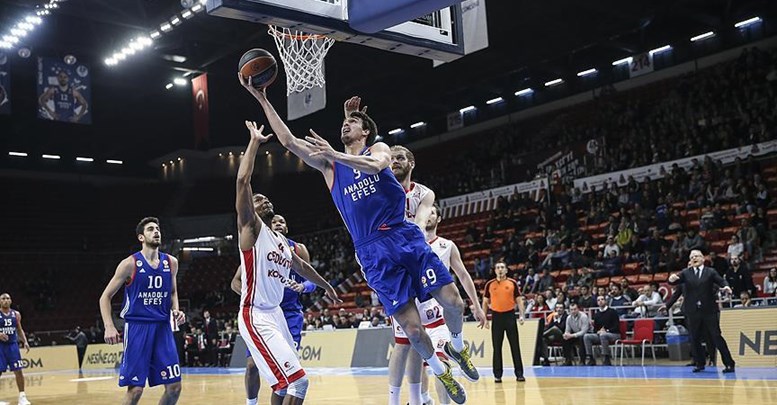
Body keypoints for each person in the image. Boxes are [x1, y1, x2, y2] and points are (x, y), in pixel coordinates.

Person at [243, 80, 472, 404]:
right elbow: (287, 139)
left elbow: (377, 165)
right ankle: (440, 370)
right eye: (344, 122)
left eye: (351, 122)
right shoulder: (328, 164)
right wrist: (262, 97)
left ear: (365, 132)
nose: (344, 125)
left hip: (402, 235)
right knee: (414, 331)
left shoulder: (377, 150)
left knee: (454, 303)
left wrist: (336, 152)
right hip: (371, 249)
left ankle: (457, 346)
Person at [235, 120, 339, 404]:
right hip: (255, 314)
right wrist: (255, 142)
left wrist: (325, 284)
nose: (264, 201)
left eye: (266, 198)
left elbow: (302, 267)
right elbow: (243, 182)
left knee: (282, 387)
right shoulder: (251, 230)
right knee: (299, 382)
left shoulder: (280, 241)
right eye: (258, 200)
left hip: (277, 315)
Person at [388, 143, 487, 405]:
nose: (395, 161)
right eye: (391, 158)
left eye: (400, 157)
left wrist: (477, 305)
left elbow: (464, 275)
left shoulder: (442, 239)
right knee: (408, 343)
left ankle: (456, 349)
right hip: (396, 266)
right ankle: (414, 399)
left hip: (431, 298)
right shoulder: (381, 189)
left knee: (454, 303)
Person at [231, 214, 317, 405]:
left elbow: (311, 280)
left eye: (282, 221)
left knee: (288, 379)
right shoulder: (261, 245)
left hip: (290, 315)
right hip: (262, 313)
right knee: (252, 365)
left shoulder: (298, 249)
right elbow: (235, 281)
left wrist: (304, 287)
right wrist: (251, 294)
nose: (278, 223)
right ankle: (251, 402)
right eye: (275, 221)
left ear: (287, 228)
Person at [98, 217, 186, 405]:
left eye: (158, 229)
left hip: (163, 328)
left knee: (174, 388)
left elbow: (172, 292)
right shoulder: (129, 264)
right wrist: (109, 326)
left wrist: (176, 310)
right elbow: (104, 297)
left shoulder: (171, 263)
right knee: (136, 390)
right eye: (150, 229)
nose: (156, 232)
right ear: (141, 237)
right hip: (138, 327)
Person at [668, 249, 735, 373]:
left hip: (709, 310)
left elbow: (721, 281)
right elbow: (675, 281)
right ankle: (699, 363)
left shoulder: (710, 272)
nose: (694, 258)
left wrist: (726, 286)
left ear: (703, 258)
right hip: (693, 311)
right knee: (694, 338)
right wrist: (671, 279)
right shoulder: (686, 273)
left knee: (716, 336)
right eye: (692, 257)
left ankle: (729, 363)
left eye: (697, 256)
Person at [482, 261, 526, 382]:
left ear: (506, 270)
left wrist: (522, 315)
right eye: (498, 268)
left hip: (510, 316)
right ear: (495, 270)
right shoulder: (489, 284)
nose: (500, 269)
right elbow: (485, 302)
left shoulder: (512, 283)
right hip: (496, 318)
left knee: (515, 346)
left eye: (502, 267)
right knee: (497, 347)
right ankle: (497, 375)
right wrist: (484, 318)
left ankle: (519, 373)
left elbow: (519, 300)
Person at [0, 293, 31, 405]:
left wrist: (25, 341)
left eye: (8, 298)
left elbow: (19, 329)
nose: (6, 300)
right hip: (0, 347)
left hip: (13, 346)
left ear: (11, 301)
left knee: (18, 371)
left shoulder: (16, 314)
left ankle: (22, 397)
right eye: (3, 298)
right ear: (0, 301)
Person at [583, 296, 619, 366]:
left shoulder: (612, 312)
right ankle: (590, 358)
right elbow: (595, 328)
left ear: (605, 301)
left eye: (602, 299)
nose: (600, 301)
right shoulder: (597, 314)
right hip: (601, 334)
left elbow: (616, 326)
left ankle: (606, 358)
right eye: (598, 300)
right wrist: (598, 331)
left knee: (603, 335)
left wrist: (606, 330)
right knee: (586, 336)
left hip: (614, 334)